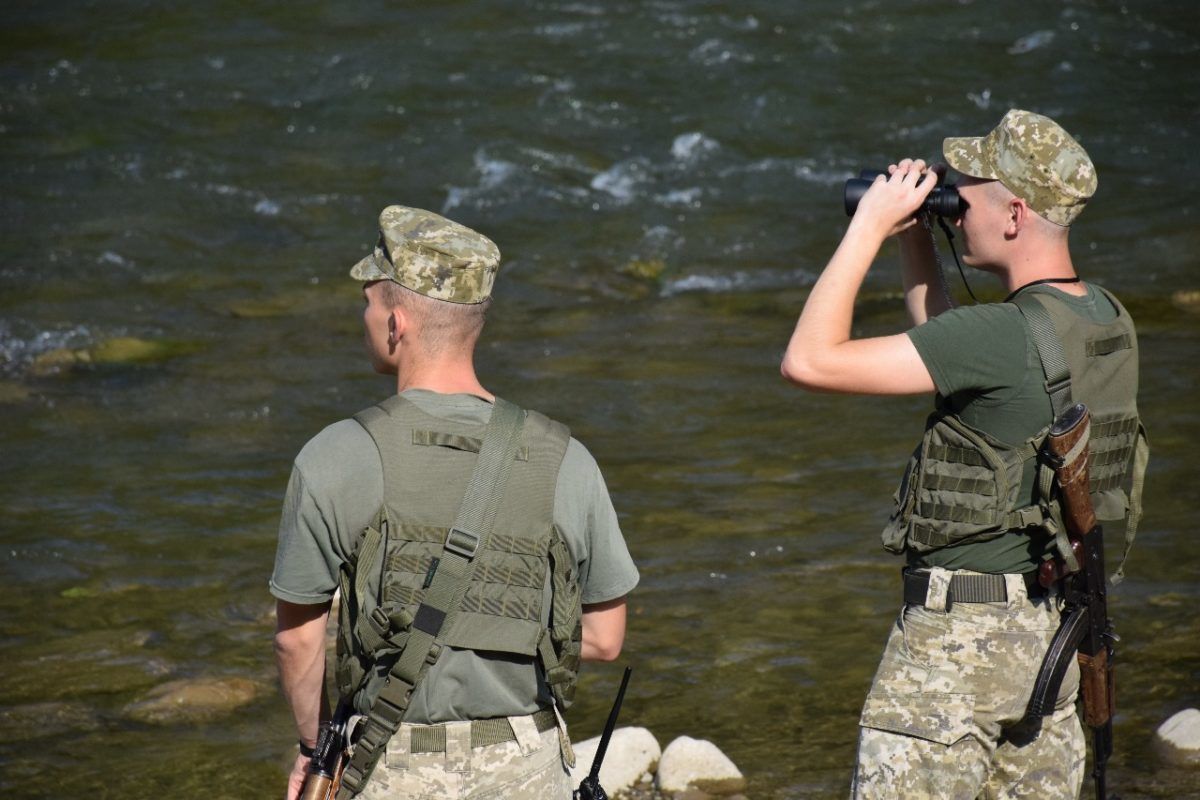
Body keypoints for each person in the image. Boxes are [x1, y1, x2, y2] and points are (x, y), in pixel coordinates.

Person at [780, 109, 1147, 798]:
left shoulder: (997, 335)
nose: (954, 205)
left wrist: (866, 227)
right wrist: (916, 239)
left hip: (953, 658)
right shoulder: (1106, 319)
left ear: (1014, 213)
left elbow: (808, 360)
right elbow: (968, 356)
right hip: (1052, 641)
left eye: (964, 192)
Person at [271, 206, 639, 799]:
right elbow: (603, 638)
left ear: (396, 324)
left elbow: (298, 639)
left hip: (389, 767)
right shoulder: (567, 459)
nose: (363, 319)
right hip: (528, 765)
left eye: (367, 304)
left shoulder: (334, 455)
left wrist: (315, 750)